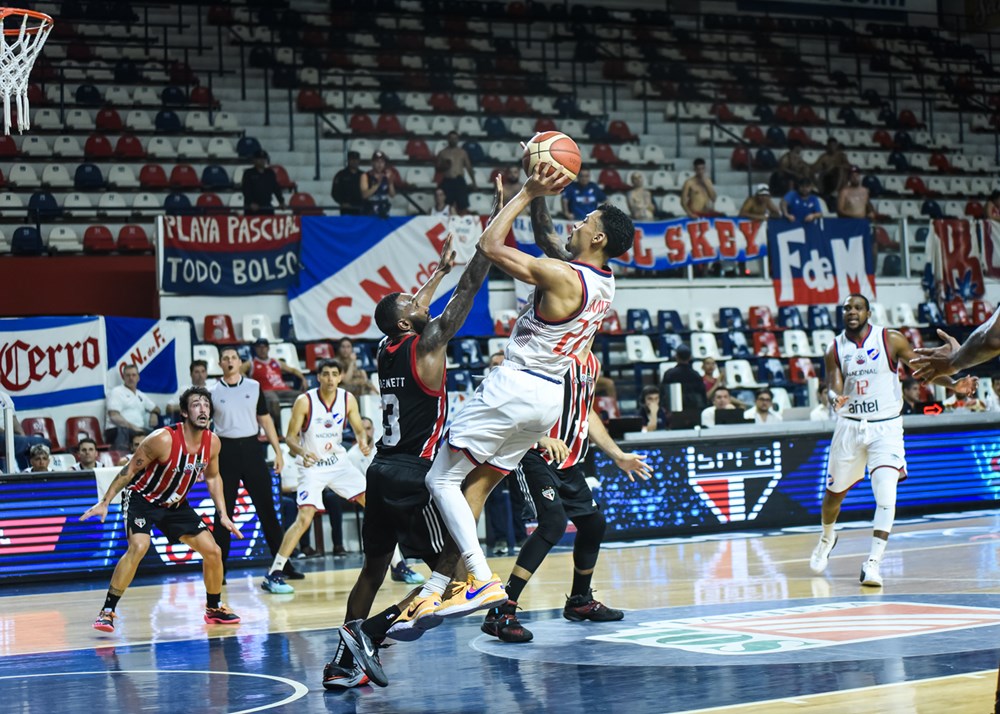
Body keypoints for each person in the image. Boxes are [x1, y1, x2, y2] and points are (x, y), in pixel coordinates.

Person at [422, 165, 633, 627]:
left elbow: (489, 247)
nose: (576, 224)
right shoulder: (603, 283)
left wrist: (524, 192)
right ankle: (435, 590)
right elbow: (547, 239)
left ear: (598, 239)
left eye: (585, 222)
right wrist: (541, 192)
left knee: (439, 480)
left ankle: (479, 579)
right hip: (547, 400)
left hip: (514, 385)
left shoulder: (561, 277)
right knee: (477, 485)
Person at [324, 194, 496, 690]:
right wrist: (484, 244)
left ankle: (343, 659)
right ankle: (372, 635)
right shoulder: (429, 342)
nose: (420, 303)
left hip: (379, 470)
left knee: (372, 570)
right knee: (459, 563)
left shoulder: (385, 346)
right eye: (413, 304)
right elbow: (466, 291)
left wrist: (436, 272)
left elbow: (411, 310)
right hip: (412, 474)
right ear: (407, 322)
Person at [481, 347, 651, 643]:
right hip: (533, 452)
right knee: (554, 524)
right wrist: (539, 436)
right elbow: (512, 402)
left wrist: (617, 455)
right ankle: (500, 610)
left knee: (593, 523)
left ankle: (580, 601)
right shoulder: (548, 354)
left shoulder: (592, 362)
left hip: (568, 460)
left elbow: (587, 412)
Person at [809, 294, 975, 587]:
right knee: (833, 496)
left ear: (868, 312)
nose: (852, 312)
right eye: (847, 308)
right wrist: (835, 399)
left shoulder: (890, 339)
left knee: (886, 494)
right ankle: (826, 537)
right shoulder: (834, 347)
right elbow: (832, 384)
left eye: (857, 307)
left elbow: (923, 370)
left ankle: (872, 563)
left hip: (886, 428)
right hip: (849, 426)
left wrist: (953, 384)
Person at [81, 387, 242, 632]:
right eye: (197, 404)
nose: (203, 409)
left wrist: (223, 514)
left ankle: (214, 607)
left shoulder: (213, 442)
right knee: (139, 547)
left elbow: (213, 477)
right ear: (185, 413)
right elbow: (130, 471)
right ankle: (107, 611)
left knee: (213, 551)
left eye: (206, 405)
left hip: (176, 505)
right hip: (143, 499)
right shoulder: (163, 439)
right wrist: (105, 501)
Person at [260, 359, 370, 594]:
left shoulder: (347, 399)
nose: (330, 378)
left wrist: (362, 440)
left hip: (339, 463)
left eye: (334, 374)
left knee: (375, 507)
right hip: (312, 466)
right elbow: (289, 438)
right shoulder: (304, 401)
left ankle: (397, 564)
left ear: (340, 377)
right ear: (318, 377)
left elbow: (359, 428)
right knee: (304, 518)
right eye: (326, 374)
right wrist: (301, 451)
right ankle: (274, 573)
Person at [210, 347, 295, 580]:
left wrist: (278, 451)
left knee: (268, 510)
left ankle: (282, 565)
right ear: (219, 364)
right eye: (225, 359)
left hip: (252, 450)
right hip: (225, 452)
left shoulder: (253, 387)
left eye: (233, 358)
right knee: (223, 513)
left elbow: (265, 420)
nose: (229, 361)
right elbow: (206, 429)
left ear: (240, 362)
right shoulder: (212, 391)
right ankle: (220, 570)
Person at [243, 337, 305, 427]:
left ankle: (301, 425)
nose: (262, 350)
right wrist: (248, 381)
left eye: (264, 347)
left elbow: (293, 370)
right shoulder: (251, 363)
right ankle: (279, 427)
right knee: (273, 400)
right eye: (259, 347)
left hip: (283, 389)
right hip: (266, 390)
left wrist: (303, 379)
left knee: (303, 397)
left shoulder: (275, 362)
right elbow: (239, 371)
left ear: (268, 348)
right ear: (255, 349)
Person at [105, 364, 160, 451]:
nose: (131, 378)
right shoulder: (117, 392)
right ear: (123, 378)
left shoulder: (140, 395)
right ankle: (122, 460)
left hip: (137, 430)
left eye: (134, 375)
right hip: (118, 430)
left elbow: (156, 408)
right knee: (124, 431)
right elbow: (114, 416)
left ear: (138, 377)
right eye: (128, 375)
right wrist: (133, 427)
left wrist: (154, 413)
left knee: (157, 435)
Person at [659, 343, 708, 412]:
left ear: (676, 356)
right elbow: (703, 397)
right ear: (690, 357)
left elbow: (663, 395)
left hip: (674, 411)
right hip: (694, 410)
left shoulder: (669, 374)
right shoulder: (696, 375)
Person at [436, 131, 475, 214]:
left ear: (458, 140)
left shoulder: (462, 152)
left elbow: (469, 167)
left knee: (463, 205)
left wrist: (474, 182)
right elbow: (437, 168)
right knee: (447, 205)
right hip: (448, 180)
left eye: (455, 138)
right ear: (448, 139)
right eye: (451, 138)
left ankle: (463, 224)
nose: (453, 140)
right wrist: (444, 166)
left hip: (459, 180)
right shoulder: (442, 153)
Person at [166, 360, 214, 424]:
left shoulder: (213, 387)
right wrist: (189, 406)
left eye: (203, 371)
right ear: (191, 374)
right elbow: (169, 408)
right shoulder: (185, 389)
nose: (200, 375)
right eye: (197, 372)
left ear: (206, 373)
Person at [242, 150, 285, 216]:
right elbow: (246, 189)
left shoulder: (270, 173)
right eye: (259, 158)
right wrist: (250, 203)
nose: (262, 160)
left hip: (267, 206)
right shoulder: (248, 173)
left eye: (264, 158)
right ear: (254, 160)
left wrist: (281, 201)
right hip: (252, 209)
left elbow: (276, 188)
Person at [361, 150, 396, 218]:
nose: (380, 164)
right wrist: (377, 184)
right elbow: (364, 195)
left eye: (382, 162)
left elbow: (392, 195)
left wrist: (390, 182)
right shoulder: (365, 176)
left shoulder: (387, 175)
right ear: (372, 163)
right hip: (369, 211)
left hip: (384, 210)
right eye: (377, 162)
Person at [332, 150, 365, 215]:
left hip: (361, 208)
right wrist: (342, 203)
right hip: (346, 209)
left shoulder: (363, 175)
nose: (354, 161)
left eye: (356, 159)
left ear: (359, 161)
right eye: (352, 159)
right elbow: (334, 192)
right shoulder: (341, 175)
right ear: (348, 160)